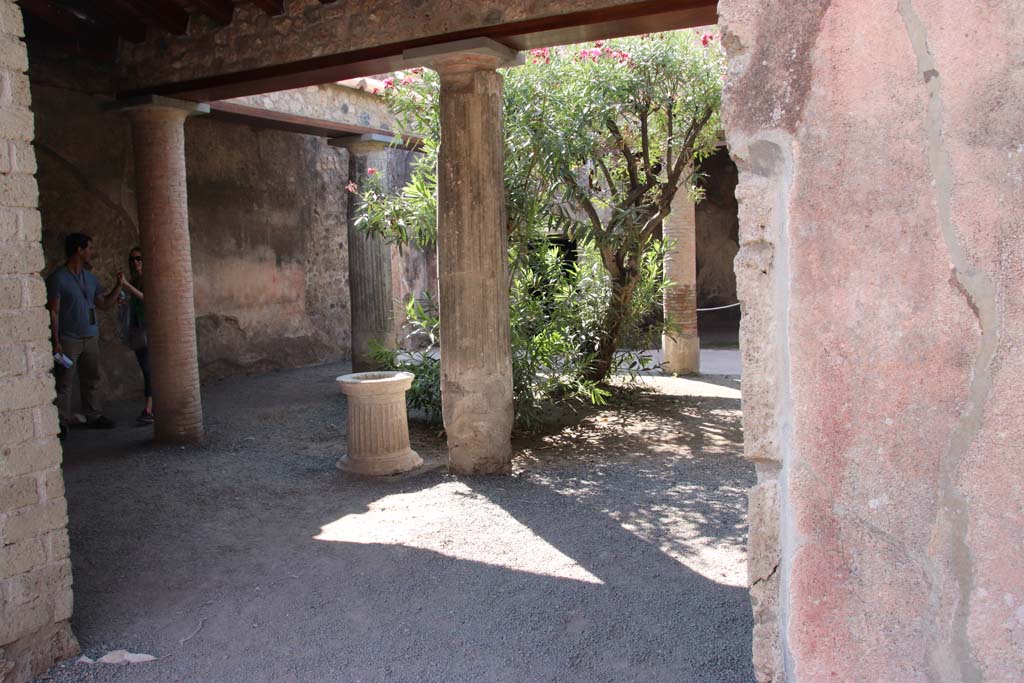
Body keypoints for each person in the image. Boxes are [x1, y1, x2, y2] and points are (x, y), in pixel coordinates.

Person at [46, 233, 124, 438]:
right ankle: (60, 421)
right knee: (64, 381)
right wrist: (56, 340)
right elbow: (54, 311)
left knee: (92, 378)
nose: (92, 252)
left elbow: (103, 304)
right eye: (89, 248)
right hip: (68, 338)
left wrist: (119, 286)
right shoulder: (58, 278)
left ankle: (94, 415)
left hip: (91, 336)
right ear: (79, 250)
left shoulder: (90, 278)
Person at [119, 247, 153, 424]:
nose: (135, 263)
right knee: (146, 369)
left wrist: (127, 287)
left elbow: (148, 298)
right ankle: (150, 408)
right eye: (131, 259)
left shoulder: (148, 279)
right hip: (137, 329)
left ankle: (149, 409)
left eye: (138, 258)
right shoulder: (134, 280)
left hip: (149, 329)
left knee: (149, 370)